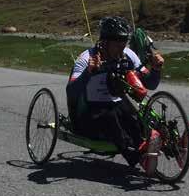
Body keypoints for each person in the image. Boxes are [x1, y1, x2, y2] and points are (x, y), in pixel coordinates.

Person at [66, 16, 165, 176]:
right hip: (87, 114)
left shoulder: (128, 55)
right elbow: (71, 91)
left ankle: (172, 146)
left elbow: (150, 84)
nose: (122, 45)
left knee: (135, 119)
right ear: (105, 41)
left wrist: (155, 69)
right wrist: (88, 73)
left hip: (115, 104)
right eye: (118, 40)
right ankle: (139, 158)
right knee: (110, 116)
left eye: (125, 40)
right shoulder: (86, 59)